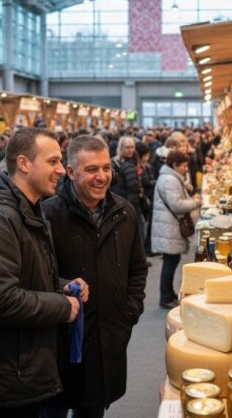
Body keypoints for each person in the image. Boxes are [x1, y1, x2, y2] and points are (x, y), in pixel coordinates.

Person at [0, 127, 88, 418]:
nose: (61, 170)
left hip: (27, 365)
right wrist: (62, 306)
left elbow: (28, 277)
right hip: (9, 373)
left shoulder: (30, 210)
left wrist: (63, 286)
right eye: (53, 161)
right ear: (23, 164)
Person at [41, 135, 148, 417]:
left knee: (92, 411)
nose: (101, 177)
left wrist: (130, 311)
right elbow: (35, 277)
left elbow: (137, 269)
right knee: (52, 411)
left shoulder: (124, 212)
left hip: (108, 340)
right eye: (91, 170)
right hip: (61, 343)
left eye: (106, 168)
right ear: (71, 172)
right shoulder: (47, 216)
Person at [152, 151, 201, 309]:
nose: (186, 169)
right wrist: (194, 202)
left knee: (171, 261)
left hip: (169, 226)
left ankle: (169, 293)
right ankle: (166, 297)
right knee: (170, 262)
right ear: (175, 165)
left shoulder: (171, 178)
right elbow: (177, 205)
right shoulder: (170, 180)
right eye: (184, 166)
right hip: (169, 227)